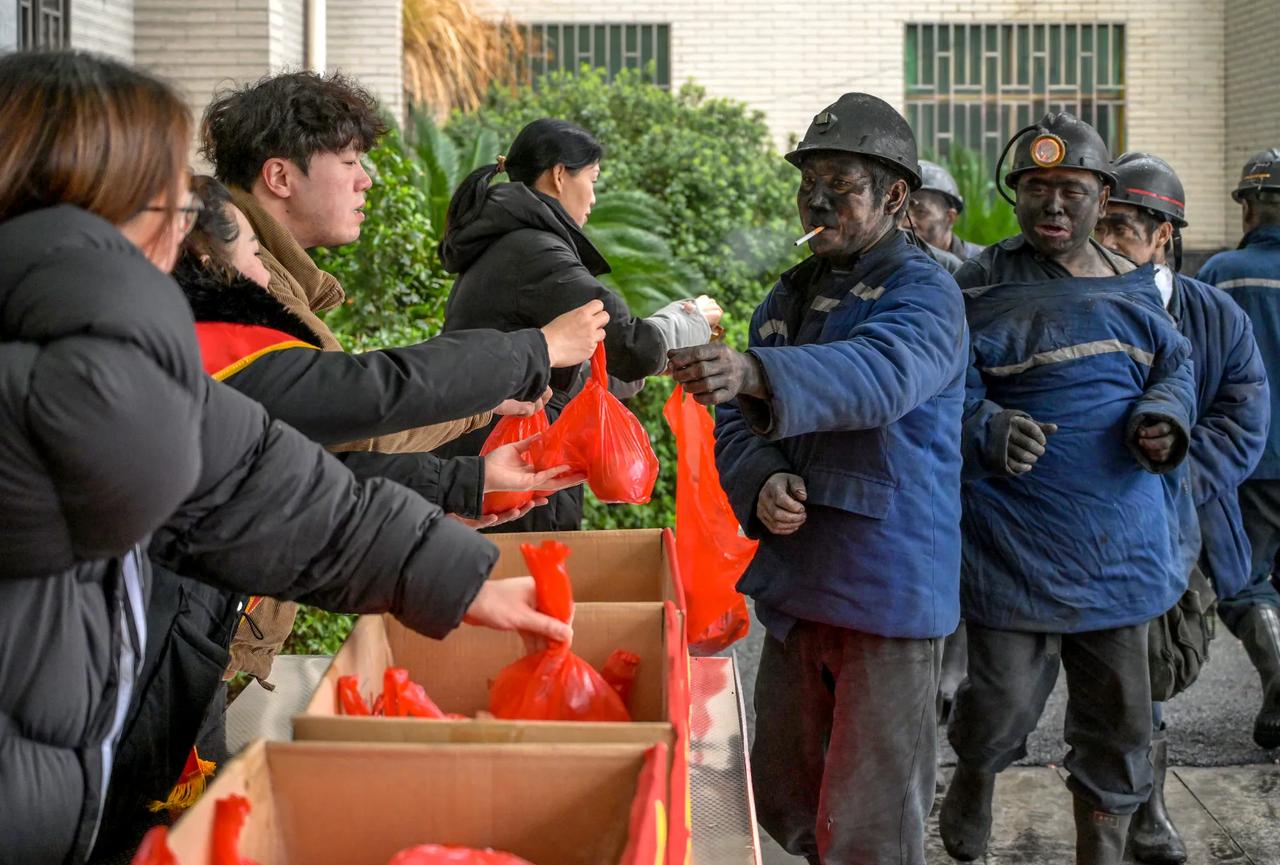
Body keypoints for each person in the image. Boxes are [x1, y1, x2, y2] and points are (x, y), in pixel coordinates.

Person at [0, 51, 565, 865]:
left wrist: (448, 568)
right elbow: (343, 406)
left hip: (94, 747)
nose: (186, 214)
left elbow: (254, 475)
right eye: (165, 190)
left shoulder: (108, 335)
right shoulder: (105, 346)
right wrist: (526, 360)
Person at [91, 174, 601, 858]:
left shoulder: (148, 360)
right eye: (249, 265)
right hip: (142, 671)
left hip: (176, 652)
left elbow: (279, 480)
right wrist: (533, 350)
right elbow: (367, 399)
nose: (365, 178)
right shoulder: (202, 351)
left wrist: (464, 485)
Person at [200, 72, 609, 682]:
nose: (368, 181)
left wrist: (469, 458)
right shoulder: (220, 264)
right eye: (349, 162)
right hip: (202, 621)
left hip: (222, 621)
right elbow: (353, 402)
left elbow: (334, 440)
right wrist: (536, 350)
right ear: (280, 177)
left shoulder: (261, 271)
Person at [669, 92, 967, 865]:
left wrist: (755, 368)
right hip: (801, 589)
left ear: (895, 196)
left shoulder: (925, 291)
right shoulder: (788, 296)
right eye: (810, 182)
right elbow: (734, 419)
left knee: (868, 825)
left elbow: (881, 375)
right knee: (787, 797)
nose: (817, 199)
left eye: (840, 182)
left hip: (886, 593)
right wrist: (761, 473)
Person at [942, 114, 1197, 865]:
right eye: (1037, 189)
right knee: (998, 703)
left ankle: (1102, 841)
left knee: (1120, 719)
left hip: (1118, 544)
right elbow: (941, 387)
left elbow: (1174, 371)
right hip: (1013, 538)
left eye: (1072, 191)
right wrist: (984, 424)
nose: (1053, 205)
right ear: (1014, 195)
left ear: (1102, 196)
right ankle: (977, 772)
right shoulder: (978, 282)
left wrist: (1163, 418)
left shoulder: (1134, 286)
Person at [1095, 152, 1269, 865]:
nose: (1105, 241)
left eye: (1123, 228)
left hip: (1174, 528)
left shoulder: (1213, 314)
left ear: (1164, 236)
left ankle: (1147, 803)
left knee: (1154, 666)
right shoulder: (1067, 298)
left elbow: (1244, 415)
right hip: (1080, 525)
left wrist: (1177, 476)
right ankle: (1135, 813)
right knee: (1094, 673)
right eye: (1100, 225)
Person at [438, 117, 722, 532]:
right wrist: (691, 317)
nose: (592, 197)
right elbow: (628, 343)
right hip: (514, 459)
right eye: (592, 178)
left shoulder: (505, 243)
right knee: (526, 586)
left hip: (490, 452)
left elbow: (569, 359)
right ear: (558, 175)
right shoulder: (534, 250)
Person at [1196, 147, 1280, 750]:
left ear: (1248, 208)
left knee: (1246, 581)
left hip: (1248, 457)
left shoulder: (1222, 274)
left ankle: (1277, 677)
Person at [907, 159, 984, 260]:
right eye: (902, 212)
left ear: (950, 217)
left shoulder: (982, 264)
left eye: (920, 212)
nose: (906, 223)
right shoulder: (890, 263)